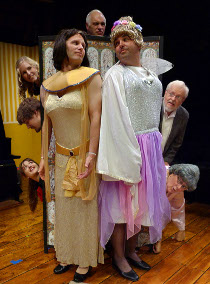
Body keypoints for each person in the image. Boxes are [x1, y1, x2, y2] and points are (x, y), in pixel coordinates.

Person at [96, 16, 171, 282]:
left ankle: (131, 251)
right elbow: (116, 117)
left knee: (139, 206)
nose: (120, 45)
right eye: (116, 42)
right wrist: (131, 153)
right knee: (120, 207)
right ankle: (117, 256)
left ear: (138, 42)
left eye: (125, 39)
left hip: (150, 145)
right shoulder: (116, 75)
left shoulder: (150, 73)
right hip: (128, 145)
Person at [39, 28, 103, 283]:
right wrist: (44, 158)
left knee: (84, 209)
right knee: (64, 209)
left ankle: (84, 261)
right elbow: (47, 124)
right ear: (61, 46)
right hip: (61, 158)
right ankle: (65, 254)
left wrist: (91, 154)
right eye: (75, 42)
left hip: (84, 156)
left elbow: (96, 117)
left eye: (84, 44)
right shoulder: (46, 85)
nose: (81, 47)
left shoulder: (91, 78)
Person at [152, 164, 200, 253]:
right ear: (173, 173)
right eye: (179, 181)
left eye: (183, 187)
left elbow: (178, 208)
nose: (178, 187)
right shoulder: (157, 175)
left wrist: (181, 229)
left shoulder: (177, 191)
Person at [160, 80, 189, 165]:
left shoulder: (183, 115)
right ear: (165, 93)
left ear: (182, 101)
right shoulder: (153, 106)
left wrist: (166, 161)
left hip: (162, 161)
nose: (173, 99)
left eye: (178, 97)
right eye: (171, 94)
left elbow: (176, 143)